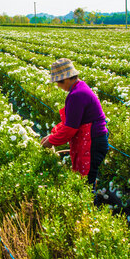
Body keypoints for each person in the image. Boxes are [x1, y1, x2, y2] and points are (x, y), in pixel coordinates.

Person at [41, 58, 109, 190]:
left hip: (92, 143)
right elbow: (71, 122)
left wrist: (52, 141)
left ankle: (90, 209)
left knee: (86, 185)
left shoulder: (76, 95)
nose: (58, 86)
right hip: (94, 140)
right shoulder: (80, 88)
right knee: (87, 179)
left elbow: (70, 129)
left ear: (65, 79)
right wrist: (53, 135)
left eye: (57, 82)